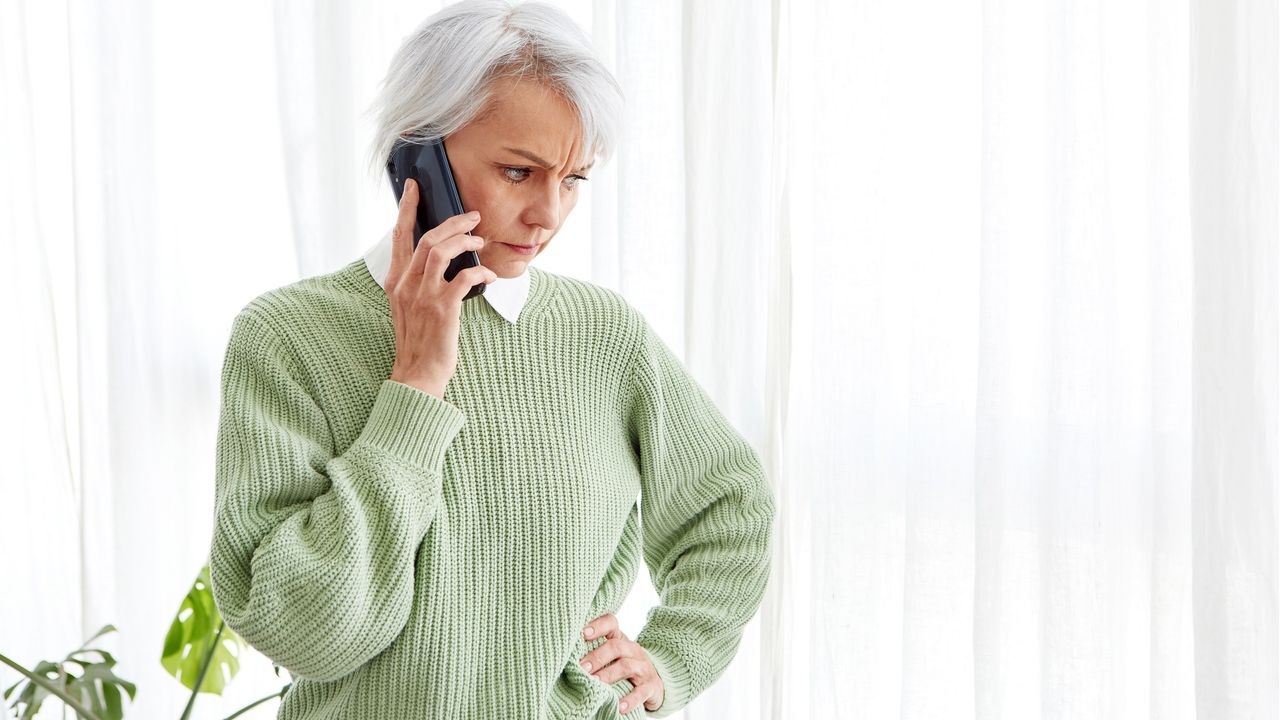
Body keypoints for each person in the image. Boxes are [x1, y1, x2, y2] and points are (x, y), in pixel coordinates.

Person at [206, 1, 775, 718]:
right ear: (419, 156)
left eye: (573, 179)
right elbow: (303, 631)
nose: (549, 214)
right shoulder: (287, 338)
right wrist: (414, 387)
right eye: (517, 171)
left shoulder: (604, 335)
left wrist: (674, 659)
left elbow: (728, 506)